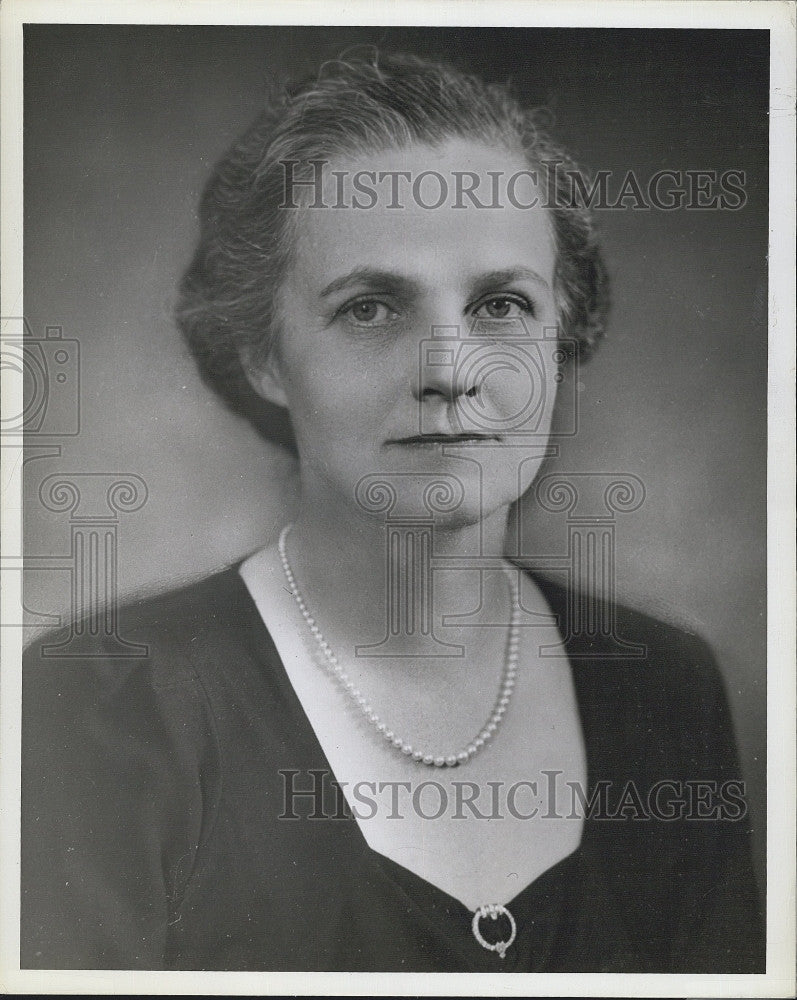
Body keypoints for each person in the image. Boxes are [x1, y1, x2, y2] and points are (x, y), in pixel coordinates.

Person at [21, 51, 763, 973]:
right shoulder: (102, 706)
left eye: (500, 304)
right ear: (261, 352)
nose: (450, 369)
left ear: (562, 331)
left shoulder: (662, 692)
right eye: (371, 309)